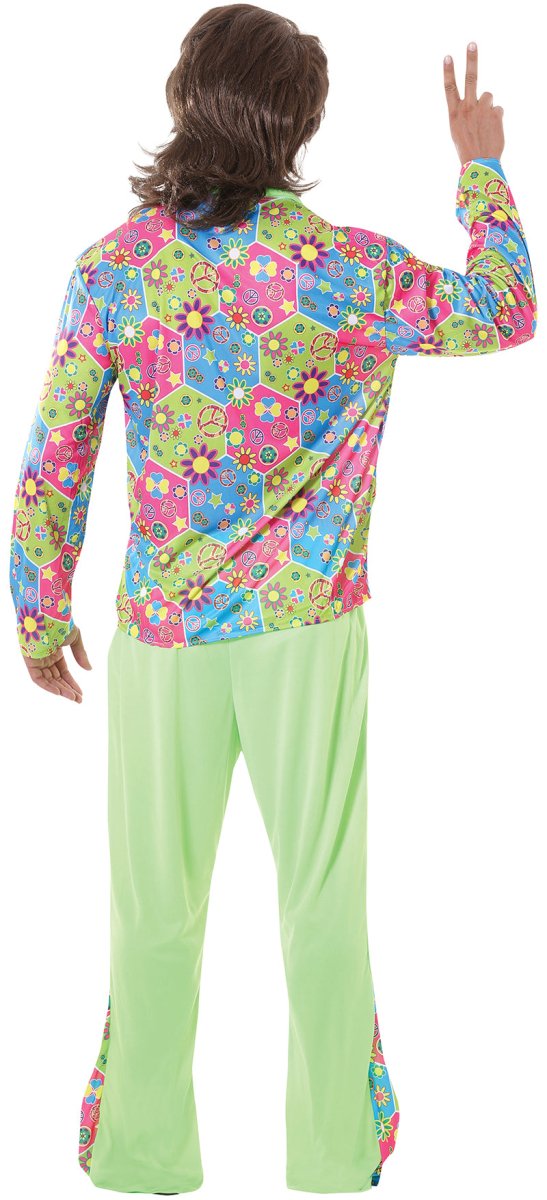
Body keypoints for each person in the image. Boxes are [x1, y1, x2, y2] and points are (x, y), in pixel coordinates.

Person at [8, 4, 537, 1194]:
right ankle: (334, 1154)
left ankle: (142, 1156)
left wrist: (40, 611)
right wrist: (480, 167)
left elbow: (56, 458)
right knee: (321, 903)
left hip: (165, 638)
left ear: (184, 96)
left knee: (154, 911)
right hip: (306, 632)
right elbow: (505, 311)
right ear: (297, 123)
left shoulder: (115, 272)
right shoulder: (345, 270)